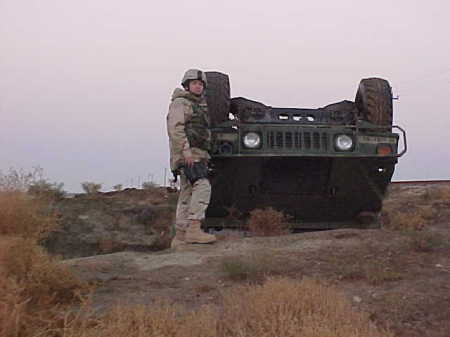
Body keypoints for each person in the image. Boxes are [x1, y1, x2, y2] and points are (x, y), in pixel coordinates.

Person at [166, 69, 217, 248]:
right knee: (203, 185)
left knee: (187, 193)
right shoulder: (182, 103)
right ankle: (194, 229)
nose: (198, 86)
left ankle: (180, 236)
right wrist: (185, 152)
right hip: (189, 154)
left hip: (196, 153)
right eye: (195, 83)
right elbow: (176, 128)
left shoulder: (196, 104)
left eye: (200, 84)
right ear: (187, 85)